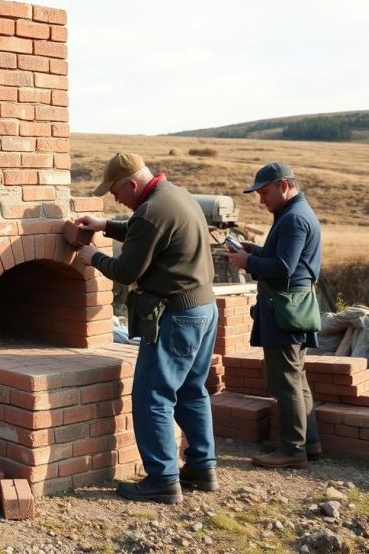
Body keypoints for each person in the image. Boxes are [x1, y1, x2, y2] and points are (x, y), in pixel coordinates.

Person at [75, 153, 219, 504]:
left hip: (177, 316)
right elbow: (144, 232)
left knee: (153, 395)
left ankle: (162, 480)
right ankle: (202, 467)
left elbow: (126, 270)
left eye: (115, 192)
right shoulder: (176, 197)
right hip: (203, 309)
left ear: (132, 184)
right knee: (191, 390)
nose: (115, 198)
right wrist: (105, 225)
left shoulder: (152, 212)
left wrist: (92, 256)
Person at [227, 162, 322, 468]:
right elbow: (283, 259)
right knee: (296, 378)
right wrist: (255, 250)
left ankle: (293, 450)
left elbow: (284, 268)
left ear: (283, 186)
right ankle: (311, 443)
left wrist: (247, 263)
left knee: (285, 382)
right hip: (290, 308)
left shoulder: (294, 219)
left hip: (285, 310)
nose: (261, 199)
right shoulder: (294, 214)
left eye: (265, 192)